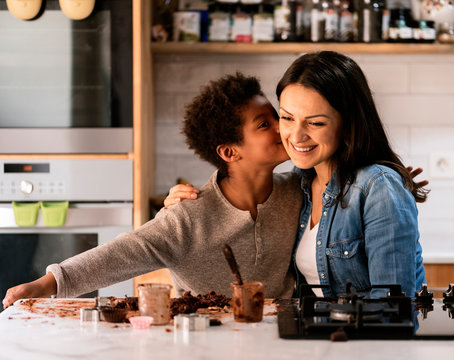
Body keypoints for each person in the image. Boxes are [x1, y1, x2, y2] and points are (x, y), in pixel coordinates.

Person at [2, 73, 303, 309]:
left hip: (284, 342)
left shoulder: (298, 190)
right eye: (265, 124)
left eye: (277, 117)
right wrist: (46, 284)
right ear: (229, 152)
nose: (282, 127)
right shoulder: (188, 217)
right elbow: (123, 252)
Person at [166, 52, 428, 300]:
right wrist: (188, 204)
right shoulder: (299, 184)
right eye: (287, 118)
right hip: (313, 343)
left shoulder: (377, 186)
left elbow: (393, 308)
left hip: (360, 346)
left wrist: (388, 183)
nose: (296, 135)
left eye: (315, 123)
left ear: (348, 124)